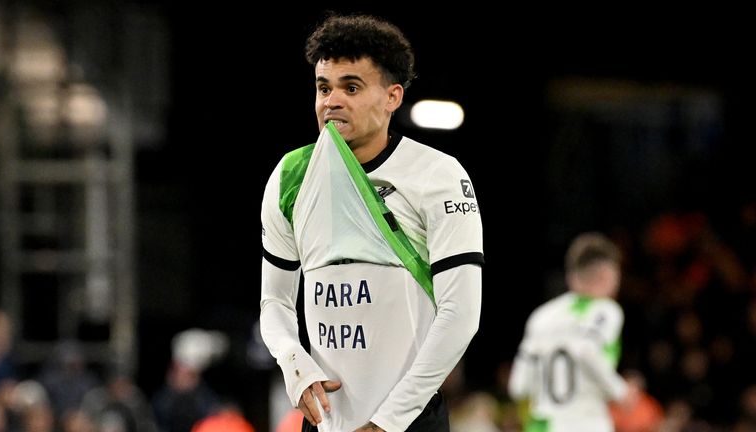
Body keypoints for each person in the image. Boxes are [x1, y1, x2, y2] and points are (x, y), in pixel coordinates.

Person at [259, 13, 483, 432]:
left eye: (352, 87)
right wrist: (295, 365)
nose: (332, 101)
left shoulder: (437, 175)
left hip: (408, 422)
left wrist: (387, 422)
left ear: (392, 97)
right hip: (324, 422)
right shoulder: (291, 176)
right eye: (324, 88)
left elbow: (461, 313)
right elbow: (274, 302)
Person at [508, 232, 632, 432]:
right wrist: (621, 392)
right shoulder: (605, 310)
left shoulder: (540, 316)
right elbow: (586, 350)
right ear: (606, 274)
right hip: (586, 423)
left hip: (541, 426)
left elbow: (518, 387)